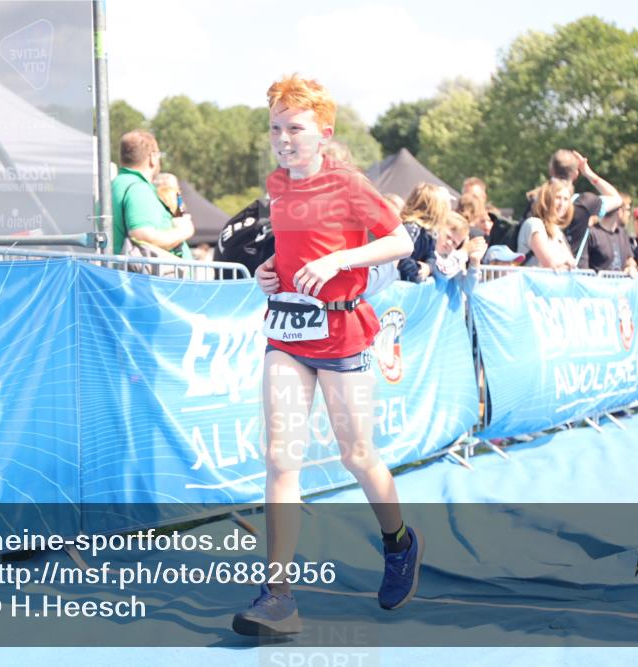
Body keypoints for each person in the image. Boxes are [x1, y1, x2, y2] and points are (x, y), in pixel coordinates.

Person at [233, 74, 420, 637]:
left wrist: (342, 262)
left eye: (296, 128)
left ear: (323, 132)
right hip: (288, 335)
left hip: (341, 335)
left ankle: (400, 543)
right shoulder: (277, 185)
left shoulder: (348, 184)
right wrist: (269, 274)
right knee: (280, 458)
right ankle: (278, 595)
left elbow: (402, 241)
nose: (284, 139)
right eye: (275, 128)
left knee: (357, 455)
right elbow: (292, 253)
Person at [111, 130, 193, 257]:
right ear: (152, 158)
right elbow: (143, 235)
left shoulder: (115, 185)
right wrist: (184, 230)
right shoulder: (138, 188)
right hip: (144, 275)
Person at [542, 150, 622, 267]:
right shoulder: (585, 203)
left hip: (544, 273)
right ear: (575, 174)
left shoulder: (539, 200)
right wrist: (588, 172)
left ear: (551, 171)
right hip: (575, 274)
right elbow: (616, 199)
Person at [396, 183, 455, 282]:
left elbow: (431, 255)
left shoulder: (428, 233)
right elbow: (402, 257)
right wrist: (418, 271)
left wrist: (428, 267)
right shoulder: (411, 229)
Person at [517, 179, 576, 269]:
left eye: (566, 199)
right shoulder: (534, 224)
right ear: (547, 200)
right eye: (558, 198)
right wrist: (566, 263)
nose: (562, 204)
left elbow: (572, 263)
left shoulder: (557, 231)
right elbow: (550, 264)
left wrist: (567, 264)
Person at [587, 199, 637, 274]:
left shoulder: (622, 233)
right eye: (627, 210)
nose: (629, 214)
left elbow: (630, 259)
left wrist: (631, 267)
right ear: (619, 211)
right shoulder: (592, 233)